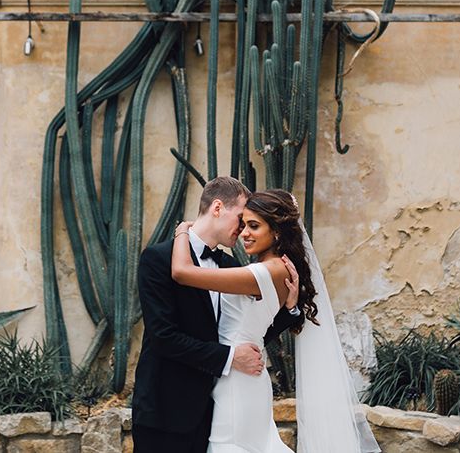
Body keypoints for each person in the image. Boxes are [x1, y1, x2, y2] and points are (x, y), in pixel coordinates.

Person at [171, 189, 380, 453]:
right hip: (245, 378)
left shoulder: (261, 272)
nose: (244, 233)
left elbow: (181, 272)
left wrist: (181, 230)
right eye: (243, 224)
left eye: (254, 226)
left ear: (277, 232)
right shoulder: (277, 269)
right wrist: (289, 309)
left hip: (237, 384)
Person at [132, 177, 303, 453]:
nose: (243, 229)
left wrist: (288, 311)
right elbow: (163, 337)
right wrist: (231, 357)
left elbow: (244, 333)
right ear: (218, 207)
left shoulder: (229, 266)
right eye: (241, 219)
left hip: (214, 411)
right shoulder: (157, 259)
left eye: (252, 224)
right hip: (165, 411)